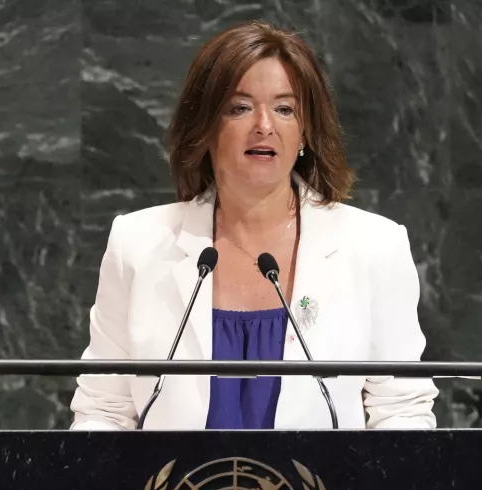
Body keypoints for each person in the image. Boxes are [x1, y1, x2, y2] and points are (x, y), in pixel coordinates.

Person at [69, 20, 438, 430]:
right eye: (240, 108)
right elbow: (103, 410)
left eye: (285, 109)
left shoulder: (375, 246)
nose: (264, 125)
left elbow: (402, 411)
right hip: (172, 476)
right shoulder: (138, 244)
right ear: (205, 127)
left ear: (305, 133)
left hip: (322, 476)